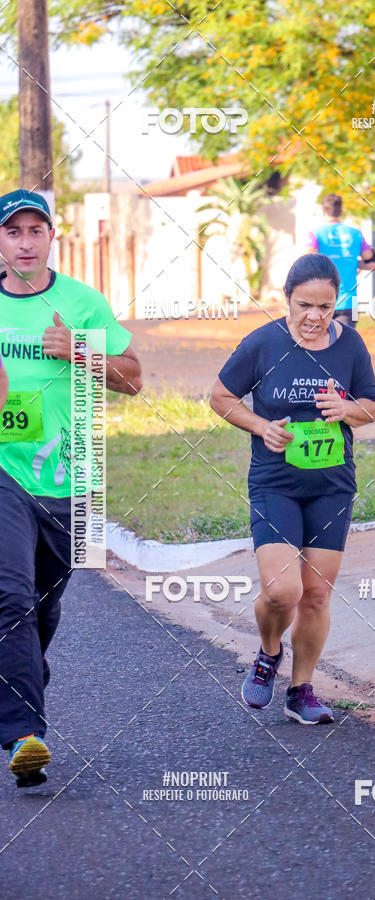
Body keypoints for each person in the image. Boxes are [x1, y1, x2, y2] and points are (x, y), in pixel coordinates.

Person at [0, 189, 143, 786]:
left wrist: (80, 350)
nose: (26, 242)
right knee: (8, 597)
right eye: (14, 232)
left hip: (70, 473)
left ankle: (23, 670)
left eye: (37, 231)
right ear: (0, 242)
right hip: (4, 470)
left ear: (52, 237)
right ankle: (24, 734)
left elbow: (133, 379)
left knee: (42, 605)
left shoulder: (82, 302)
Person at [210, 253, 375, 724]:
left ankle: (301, 691)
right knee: (283, 590)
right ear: (286, 299)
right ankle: (268, 653)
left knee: (316, 594)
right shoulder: (263, 344)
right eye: (305, 305)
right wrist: (262, 426)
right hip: (275, 484)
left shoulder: (351, 346)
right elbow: (221, 398)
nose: (315, 316)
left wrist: (346, 409)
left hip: (331, 486)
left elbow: (371, 407)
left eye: (325, 307)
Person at [307, 193, 375, 328]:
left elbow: (306, 262)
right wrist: (354, 263)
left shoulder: (316, 234)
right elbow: (373, 264)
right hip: (348, 303)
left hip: (322, 302)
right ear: (341, 211)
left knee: (320, 346)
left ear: (323, 210)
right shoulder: (356, 234)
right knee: (344, 346)